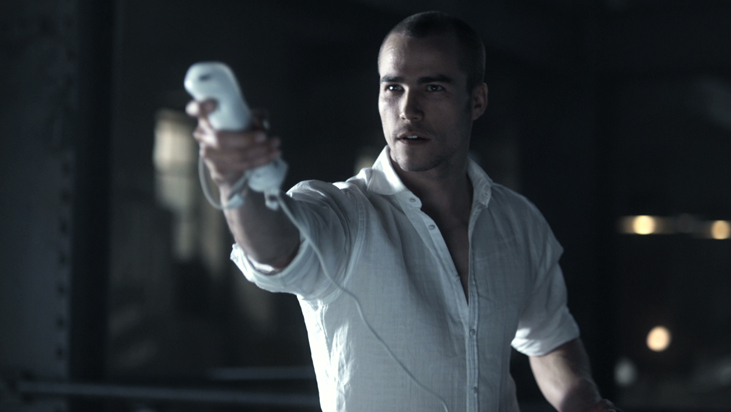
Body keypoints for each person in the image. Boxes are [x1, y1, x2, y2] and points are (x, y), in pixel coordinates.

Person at [187, 10, 619, 412]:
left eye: (433, 87)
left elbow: (549, 339)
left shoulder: (518, 223)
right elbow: (276, 249)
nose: (408, 110)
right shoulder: (346, 213)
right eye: (393, 87)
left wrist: (583, 400)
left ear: (477, 101)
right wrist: (235, 182)